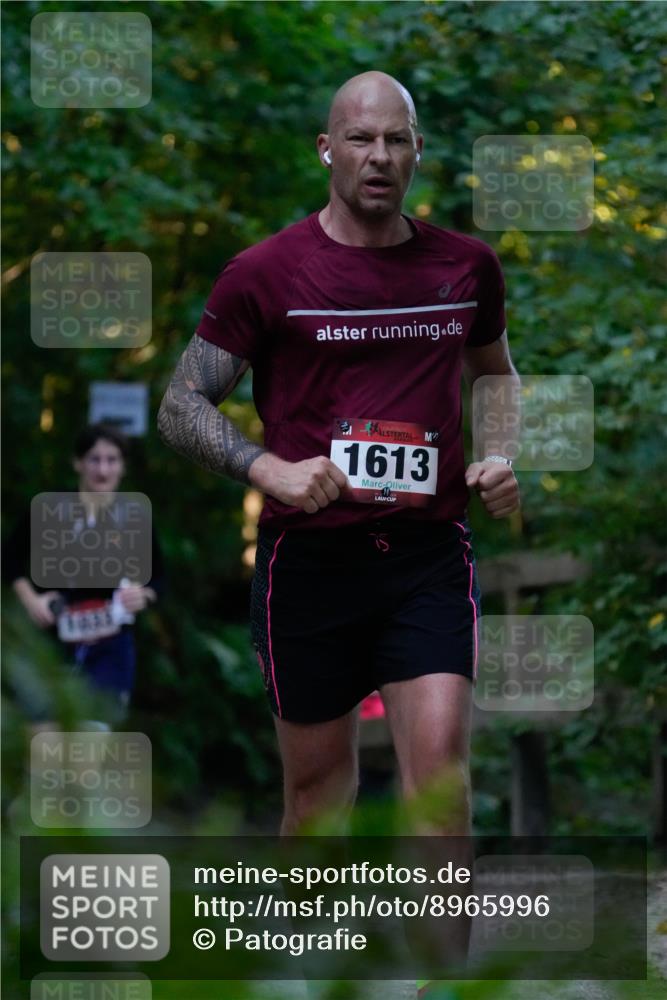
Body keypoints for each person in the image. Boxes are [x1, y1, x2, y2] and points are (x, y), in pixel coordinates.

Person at [158, 71, 520, 839]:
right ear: (328, 150)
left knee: (441, 794)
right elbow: (179, 404)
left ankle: (440, 969)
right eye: (360, 139)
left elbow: (495, 375)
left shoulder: (466, 267)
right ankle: (308, 962)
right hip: (310, 564)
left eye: (395, 139)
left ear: (418, 150)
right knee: (318, 803)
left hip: (426, 558)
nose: (379, 156)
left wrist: (496, 454)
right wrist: (267, 469)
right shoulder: (264, 274)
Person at [3, 423, 164, 724]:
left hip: (110, 649)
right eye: (94, 459)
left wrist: (144, 594)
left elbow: (159, 578)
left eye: (112, 460)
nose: (103, 469)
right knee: (45, 753)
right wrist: (32, 601)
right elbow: (8, 559)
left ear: (123, 466)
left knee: (89, 749)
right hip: (52, 645)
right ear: (78, 463)